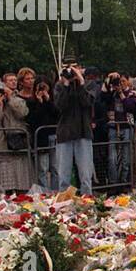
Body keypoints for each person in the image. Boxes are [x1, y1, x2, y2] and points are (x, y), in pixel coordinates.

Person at [0, 80, 31, 193]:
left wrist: (10, 99)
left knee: (19, 175)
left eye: (1, 91)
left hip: (17, 144)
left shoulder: (17, 101)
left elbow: (23, 113)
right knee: (2, 181)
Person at [54, 64, 95, 195]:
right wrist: (66, 85)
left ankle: (87, 200)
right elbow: (60, 106)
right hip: (65, 132)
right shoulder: (59, 86)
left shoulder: (89, 85)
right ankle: (63, 202)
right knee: (63, 174)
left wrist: (81, 82)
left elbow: (87, 103)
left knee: (86, 174)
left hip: (83, 131)